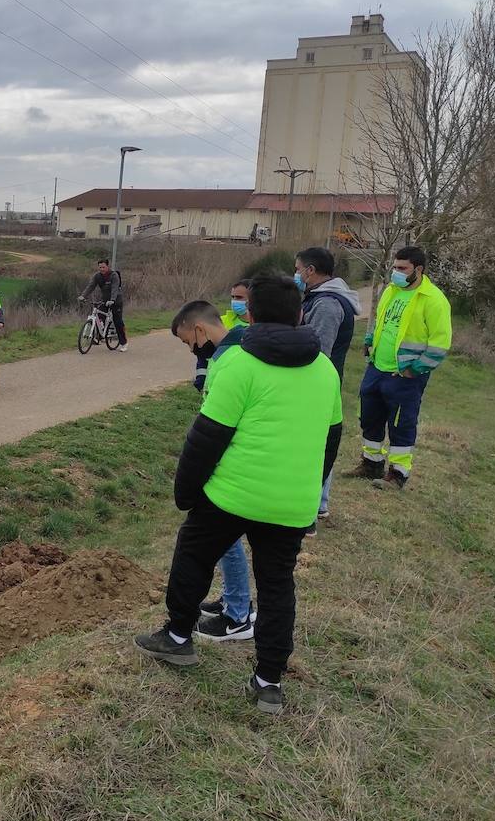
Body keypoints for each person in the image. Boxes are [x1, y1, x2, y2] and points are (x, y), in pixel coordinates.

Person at [134, 274, 343, 715]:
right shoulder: (325, 369)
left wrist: (186, 494)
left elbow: (206, 438)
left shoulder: (239, 365)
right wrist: (307, 492)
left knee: (193, 553)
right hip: (291, 503)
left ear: (252, 312)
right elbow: (332, 439)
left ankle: (176, 638)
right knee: (276, 585)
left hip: (233, 495)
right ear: (300, 313)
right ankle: (268, 682)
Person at [171, 300, 254, 643]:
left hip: (231, 466)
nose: (191, 349)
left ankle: (238, 614)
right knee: (225, 542)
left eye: (187, 341)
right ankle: (234, 603)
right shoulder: (226, 355)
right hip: (231, 463)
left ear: (200, 330)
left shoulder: (233, 359)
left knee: (223, 540)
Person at [348, 245, 452, 491]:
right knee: (370, 416)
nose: (396, 272)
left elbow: (440, 343)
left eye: (401, 268)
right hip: (377, 367)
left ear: (418, 270)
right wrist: (369, 340)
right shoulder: (391, 290)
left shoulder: (434, 299)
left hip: (405, 374)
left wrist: (415, 369)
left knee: (401, 423)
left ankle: (397, 474)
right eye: (394, 267)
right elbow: (380, 319)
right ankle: (371, 463)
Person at [294, 247, 361, 520]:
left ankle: (316, 502)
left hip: (319, 384)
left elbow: (318, 350)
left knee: (318, 443)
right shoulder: (318, 298)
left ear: (310, 271)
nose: (296, 274)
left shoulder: (327, 304)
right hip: (321, 381)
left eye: (298, 269)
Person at [78, 259, 128, 353]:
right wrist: (83, 296)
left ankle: (123, 343)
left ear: (107, 266)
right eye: (100, 267)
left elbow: (115, 288)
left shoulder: (114, 275)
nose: (101, 269)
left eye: (103, 267)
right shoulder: (97, 276)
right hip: (105, 300)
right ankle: (97, 337)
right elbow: (91, 286)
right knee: (99, 317)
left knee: (118, 322)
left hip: (116, 300)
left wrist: (112, 300)